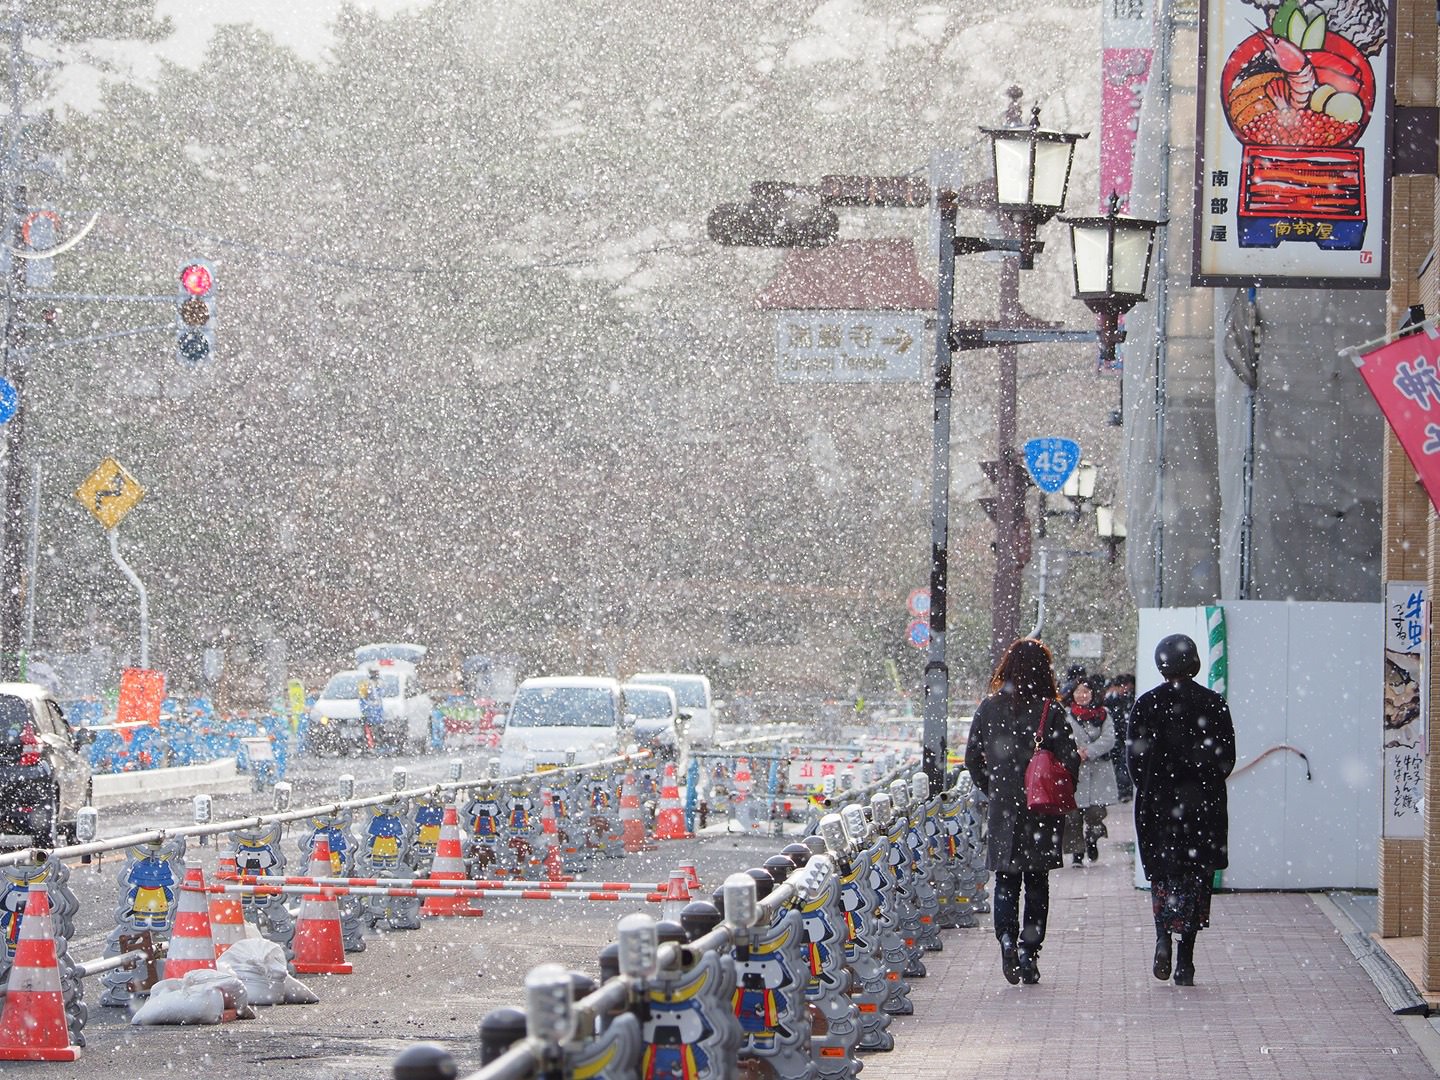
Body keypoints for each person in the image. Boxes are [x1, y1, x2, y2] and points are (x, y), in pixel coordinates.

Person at [964, 637, 1080, 986]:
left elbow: (972, 758)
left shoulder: (988, 708)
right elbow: (1070, 762)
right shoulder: (1051, 710)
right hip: (1040, 809)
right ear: (1044, 671)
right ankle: (1030, 951)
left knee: (1005, 880)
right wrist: (1052, 789)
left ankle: (1005, 940)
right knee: (1037, 882)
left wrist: (995, 788)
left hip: (1004, 809)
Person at [1127, 634, 1236, 987]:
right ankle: (1185, 957)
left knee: (1164, 876)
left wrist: (1155, 785)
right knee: (1196, 878)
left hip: (1158, 808)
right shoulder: (1214, 704)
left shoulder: (1146, 704)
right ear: (1194, 663)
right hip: (1202, 809)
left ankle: (1162, 937)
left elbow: (1134, 762)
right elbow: (1226, 760)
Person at [1061, 675, 1117, 866]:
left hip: (1099, 770)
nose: (1082, 695)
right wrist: (1074, 753)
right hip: (1075, 771)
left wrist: (1090, 752)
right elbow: (1060, 739)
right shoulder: (1065, 715)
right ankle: (1077, 852)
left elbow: (1109, 739)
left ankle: (1092, 837)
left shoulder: (1103, 714)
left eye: (1086, 691)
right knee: (1073, 814)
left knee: (1096, 812)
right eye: (1078, 692)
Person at [1103, 674, 1137, 801]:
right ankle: (1123, 791)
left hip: (1120, 736)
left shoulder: (1117, 701)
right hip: (1120, 736)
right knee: (1121, 764)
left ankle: (1123, 791)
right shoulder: (1119, 701)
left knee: (1121, 765)